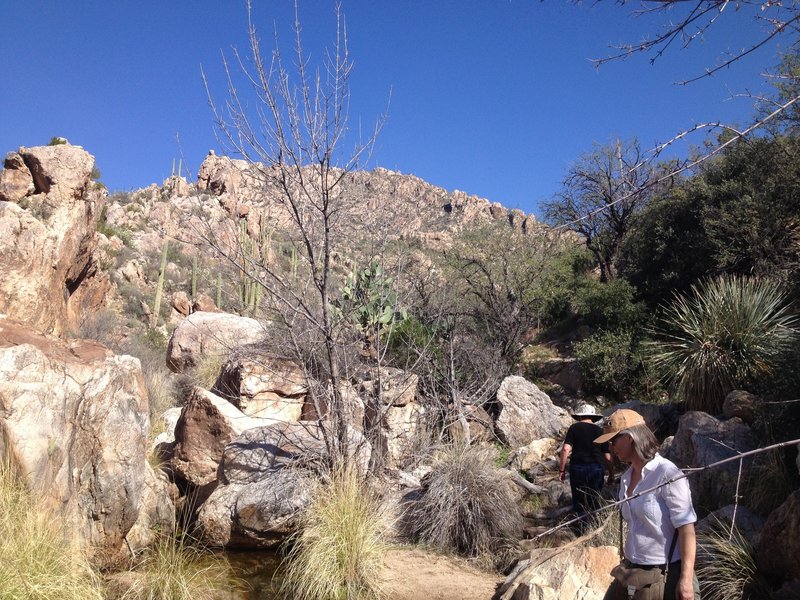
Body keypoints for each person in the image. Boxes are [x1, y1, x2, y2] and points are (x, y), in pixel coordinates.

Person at [595, 409, 700, 600]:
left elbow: (687, 529)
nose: (610, 448)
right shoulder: (626, 478)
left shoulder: (667, 474)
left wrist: (685, 580)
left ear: (629, 438)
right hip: (632, 571)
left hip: (665, 574)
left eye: (613, 441)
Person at [559, 403, 614, 521]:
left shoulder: (574, 428)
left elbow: (565, 449)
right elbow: (607, 455)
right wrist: (611, 473)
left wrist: (562, 470)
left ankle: (581, 527)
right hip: (597, 468)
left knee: (579, 501)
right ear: (593, 417)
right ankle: (594, 525)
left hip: (578, 467)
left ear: (579, 417)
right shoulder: (600, 431)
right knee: (594, 499)